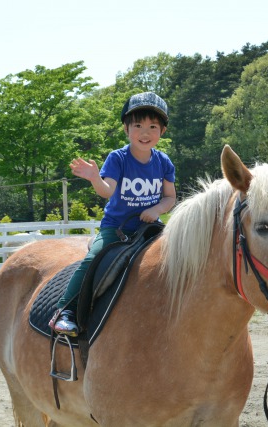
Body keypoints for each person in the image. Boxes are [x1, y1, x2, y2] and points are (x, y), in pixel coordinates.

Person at [49, 92, 177, 337]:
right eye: (138, 125)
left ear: (162, 131)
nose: (145, 132)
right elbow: (107, 192)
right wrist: (95, 178)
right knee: (93, 259)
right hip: (117, 228)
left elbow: (170, 197)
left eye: (153, 126)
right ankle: (65, 310)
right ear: (126, 129)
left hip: (151, 229)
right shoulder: (118, 158)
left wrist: (156, 209)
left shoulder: (163, 162)